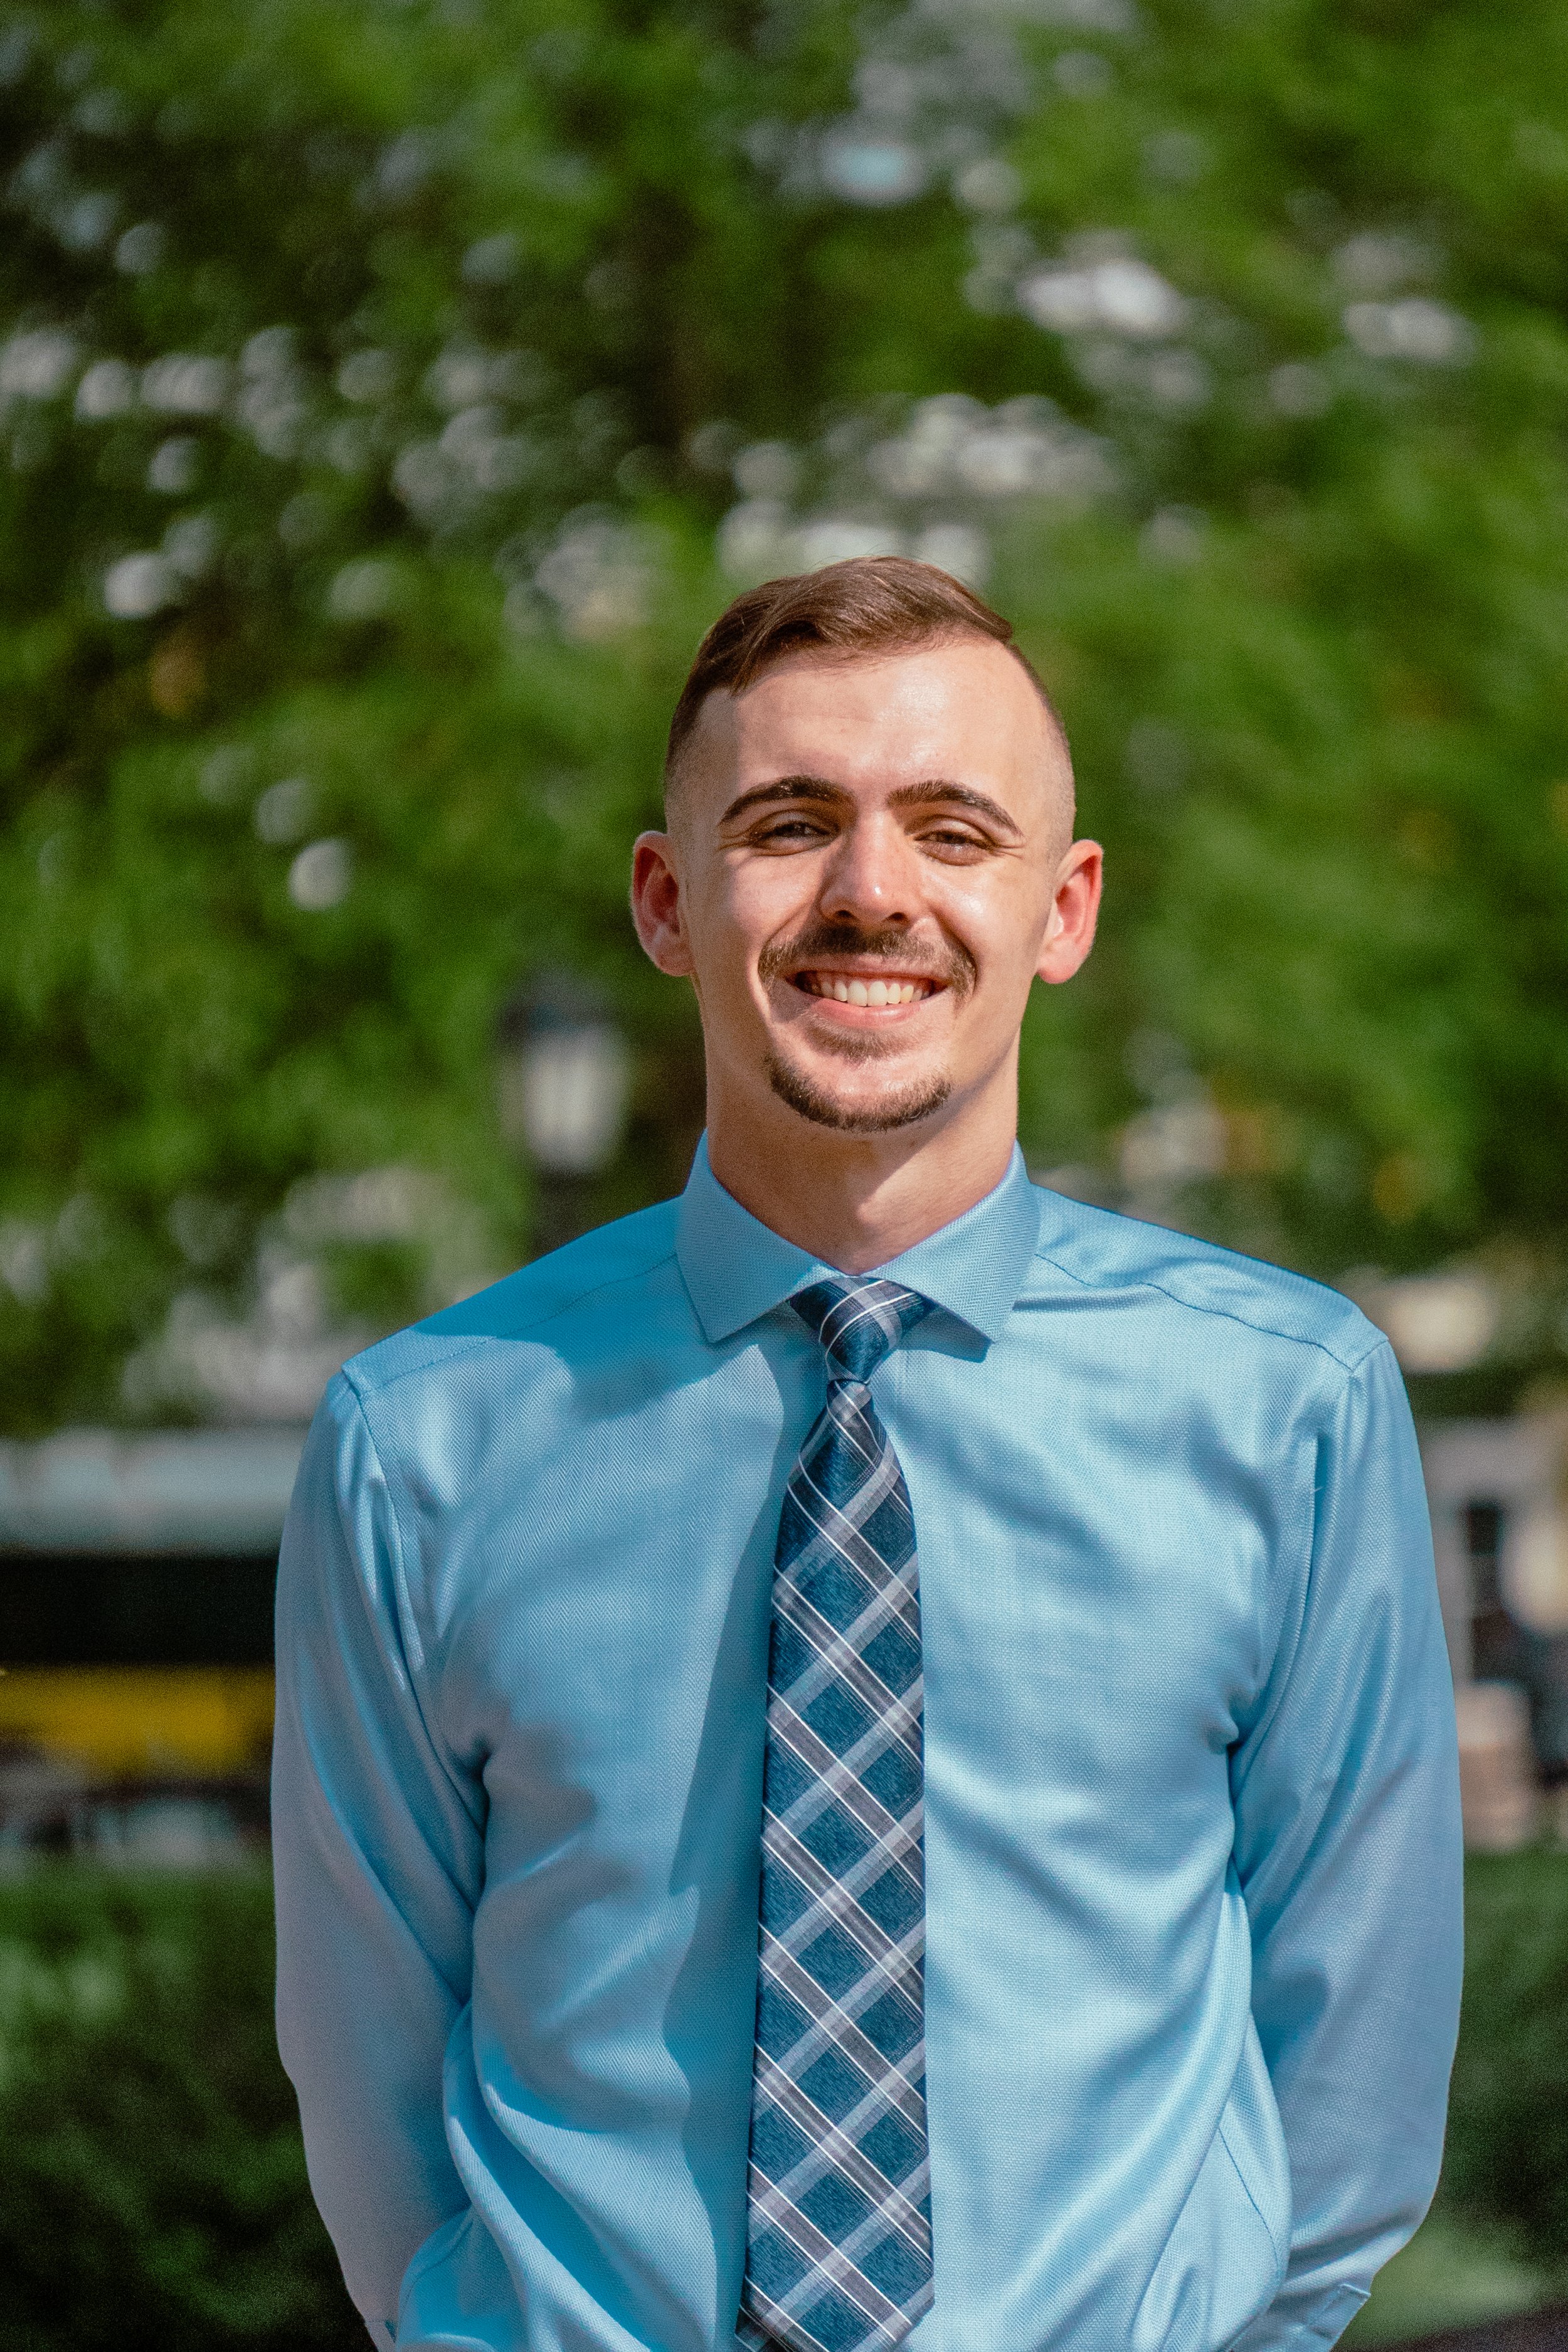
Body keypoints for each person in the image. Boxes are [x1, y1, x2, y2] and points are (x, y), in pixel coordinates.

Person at [273, 557, 1463, 2352]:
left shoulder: (1285, 1405)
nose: (870, 892)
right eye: (789, 822)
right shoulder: (419, 1439)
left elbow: (1352, 2063)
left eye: (952, 830)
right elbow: (369, 2075)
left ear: (1061, 911)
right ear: (668, 902)